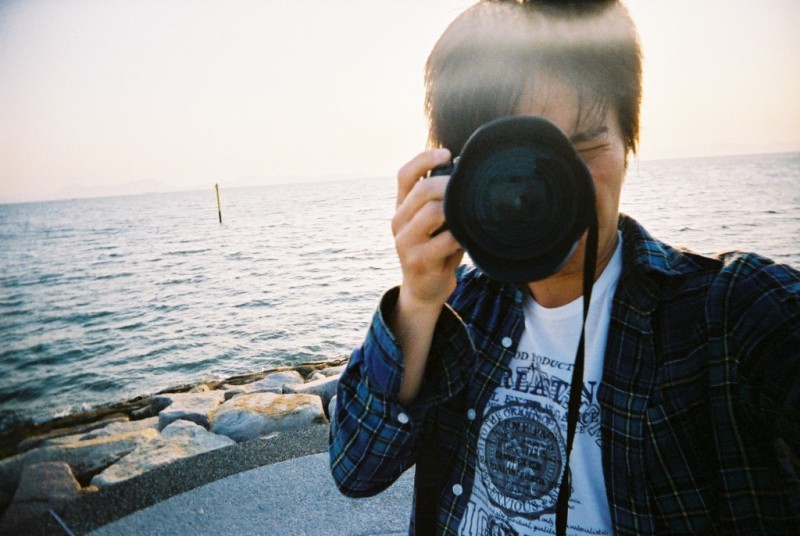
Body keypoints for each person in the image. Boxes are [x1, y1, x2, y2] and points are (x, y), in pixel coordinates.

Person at [329, 1, 800, 534]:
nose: (552, 187)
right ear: (457, 175)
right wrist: (417, 301)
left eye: (584, 146)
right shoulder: (459, 310)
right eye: (518, 162)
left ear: (629, 146)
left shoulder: (728, 313)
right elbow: (356, 470)